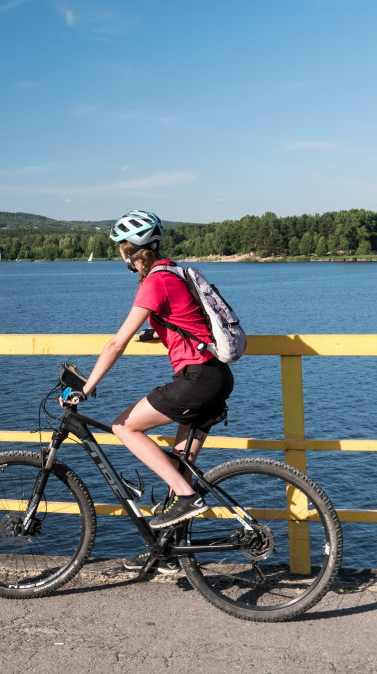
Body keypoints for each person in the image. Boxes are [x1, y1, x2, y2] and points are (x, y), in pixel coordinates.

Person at [71, 210, 234, 573]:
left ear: (130, 251)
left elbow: (116, 343)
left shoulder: (154, 283)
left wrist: (87, 385)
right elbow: (184, 319)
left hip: (197, 380)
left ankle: (190, 499)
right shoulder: (173, 271)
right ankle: (169, 552)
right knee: (179, 467)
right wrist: (156, 331)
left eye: (120, 249)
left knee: (123, 427)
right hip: (216, 376)